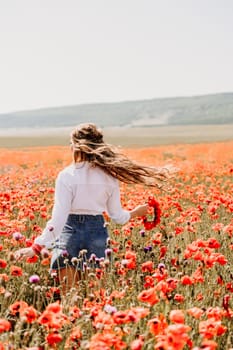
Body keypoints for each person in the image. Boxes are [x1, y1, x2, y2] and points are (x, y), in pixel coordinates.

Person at [15, 123, 169, 293]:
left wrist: (36, 247)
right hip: (97, 234)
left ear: (75, 146)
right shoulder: (110, 177)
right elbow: (117, 216)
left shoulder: (67, 176)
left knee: (70, 301)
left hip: (69, 234)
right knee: (94, 300)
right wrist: (136, 212)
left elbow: (58, 220)